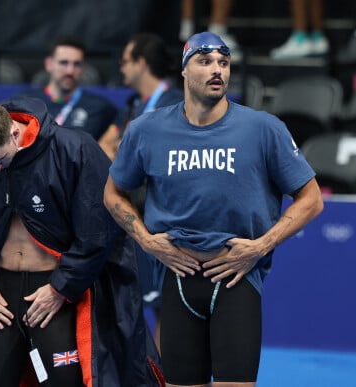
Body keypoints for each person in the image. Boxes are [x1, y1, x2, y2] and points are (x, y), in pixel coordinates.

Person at [103, 31, 324, 386]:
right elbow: (113, 194)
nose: (217, 69)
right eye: (205, 62)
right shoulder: (148, 129)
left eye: (223, 62)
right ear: (184, 71)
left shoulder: (263, 129)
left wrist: (261, 246)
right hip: (178, 279)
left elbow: (311, 199)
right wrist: (146, 241)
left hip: (236, 279)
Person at [0, 96, 164, 387]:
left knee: (65, 381)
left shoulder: (74, 149)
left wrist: (60, 288)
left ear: (15, 133)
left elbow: (98, 230)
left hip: (57, 289)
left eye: (0, 161)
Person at [99, 32, 184, 351]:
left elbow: (158, 153)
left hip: (166, 216)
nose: (121, 68)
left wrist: (127, 150)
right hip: (133, 215)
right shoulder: (133, 105)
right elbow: (104, 146)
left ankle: (167, 378)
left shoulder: (175, 102)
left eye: (125, 61)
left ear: (141, 63)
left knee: (167, 307)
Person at [17, 35, 118, 141]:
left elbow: (118, 132)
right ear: (49, 64)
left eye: (77, 64)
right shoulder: (25, 103)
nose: (70, 71)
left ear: (84, 67)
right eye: (63, 63)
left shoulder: (100, 107)